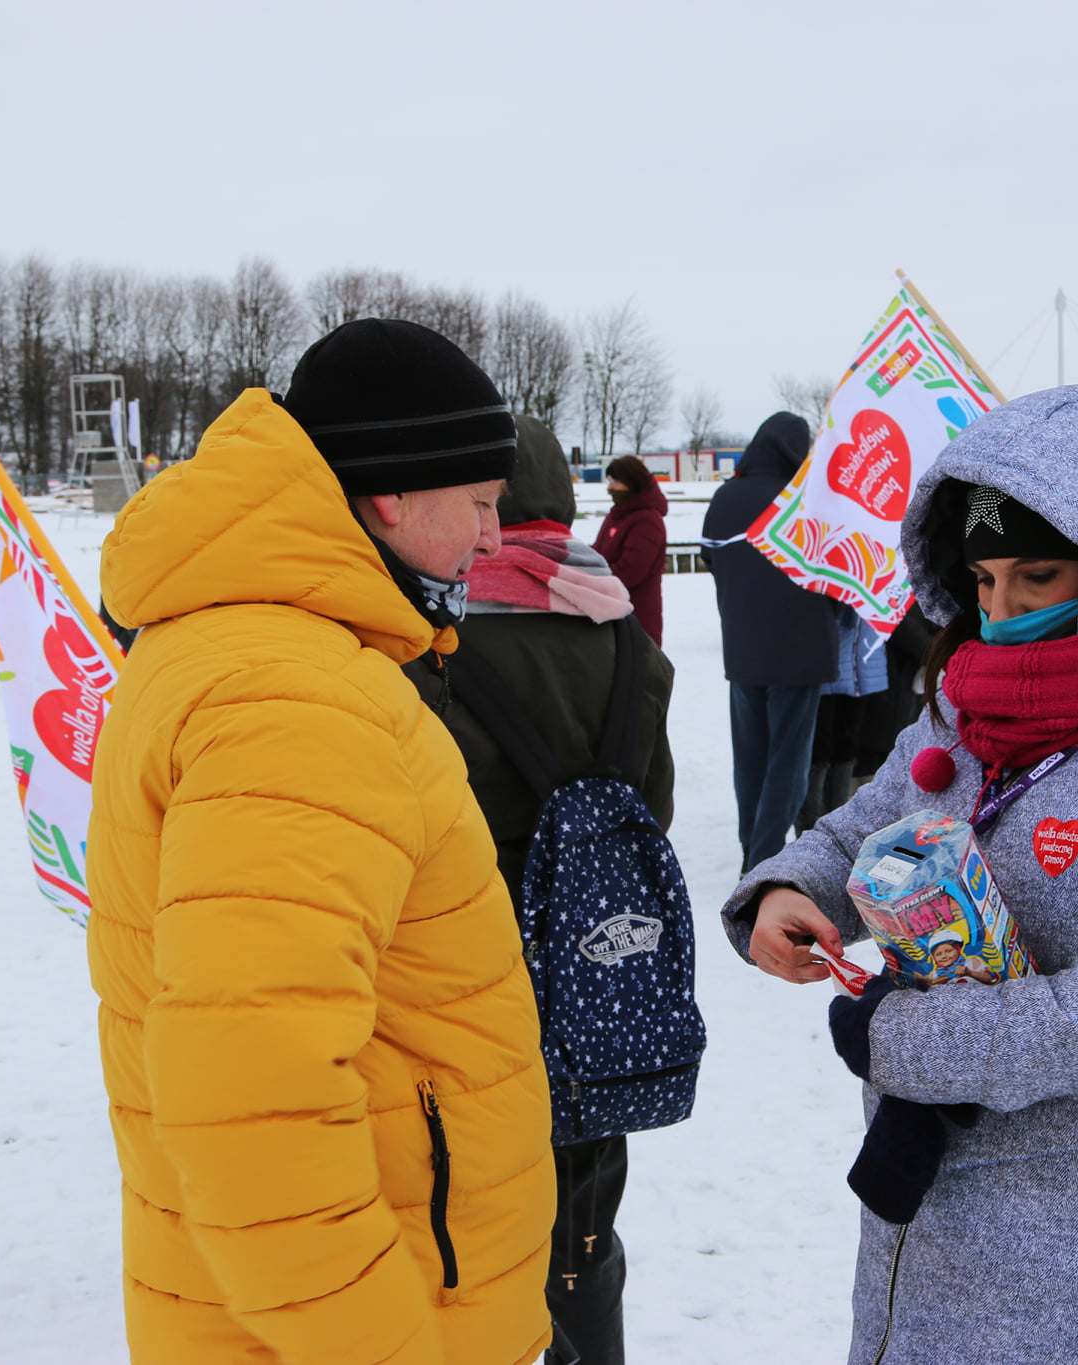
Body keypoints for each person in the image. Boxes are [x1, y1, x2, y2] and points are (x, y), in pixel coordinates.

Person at [721, 384, 1078, 1364]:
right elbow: (870, 823)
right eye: (983, 580)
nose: (1001, 611)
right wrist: (793, 888)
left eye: (1036, 576)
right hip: (930, 1207)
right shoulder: (970, 703)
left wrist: (920, 1041)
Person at [85, 319, 553, 1365]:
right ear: (391, 496)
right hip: (358, 1318)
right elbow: (254, 1092)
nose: (492, 538)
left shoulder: (241, 643)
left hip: (268, 1303)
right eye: (479, 504)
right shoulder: (297, 701)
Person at [403, 415, 674, 1365]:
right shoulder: (628, 640)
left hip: (467, 985)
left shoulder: (429, 641)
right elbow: (655, 813)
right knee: (586, 1217)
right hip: (599, 983)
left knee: (467, 1211)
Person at [702, 412, 841, 872]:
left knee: (751, 761)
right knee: (788, 763)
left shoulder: (725, 497)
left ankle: (752, 850)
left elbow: (712, 560)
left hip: (743, 652)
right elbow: (838, 573)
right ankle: (763, 858)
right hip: (803, 652)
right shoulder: (805, 500)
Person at [799, 606, 891, 832]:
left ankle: (836, 829)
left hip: (862, 665)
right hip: (823, 667)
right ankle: (810, 831)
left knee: (846, 750)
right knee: (817, 754)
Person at [593, 453, 667, 645]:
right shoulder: (617, 515)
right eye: (608, 481)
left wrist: (590, 581)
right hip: (611, 613)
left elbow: (631, 571)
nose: (610, 487)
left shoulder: (648, 520)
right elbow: (597, 554)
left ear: (632, 482)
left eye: (614, 481)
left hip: (637, 618)